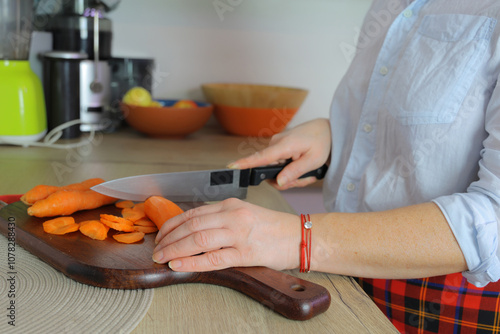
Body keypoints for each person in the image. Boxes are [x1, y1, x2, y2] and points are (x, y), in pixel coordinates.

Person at [153, 0, 500, 332]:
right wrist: (334, 136)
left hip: (449, 299)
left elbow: (493, 218)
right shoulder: (390, 4)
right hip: (345, 271)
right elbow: (418, 136)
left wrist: (296, 238)